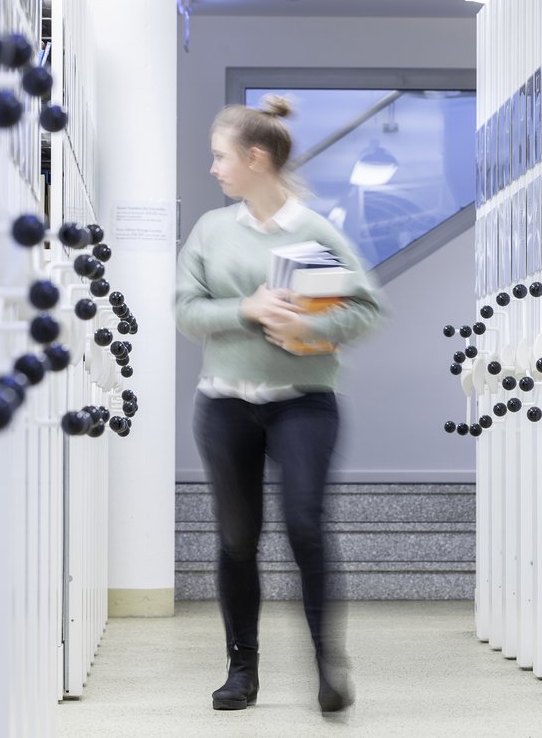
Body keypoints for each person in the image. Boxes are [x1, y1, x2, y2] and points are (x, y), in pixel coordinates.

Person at [174, 95, 381, 714]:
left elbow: (365, 309)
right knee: (238, 539)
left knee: (304, 525)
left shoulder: (315, 232)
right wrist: (248, 308)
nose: (213, 168)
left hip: (304, 403)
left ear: (254, 158)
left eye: (220, 156)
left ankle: (328, 667)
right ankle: (242, 670)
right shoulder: (212, 230)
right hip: (225, 406)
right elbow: (185, 310)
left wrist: (309, 333)